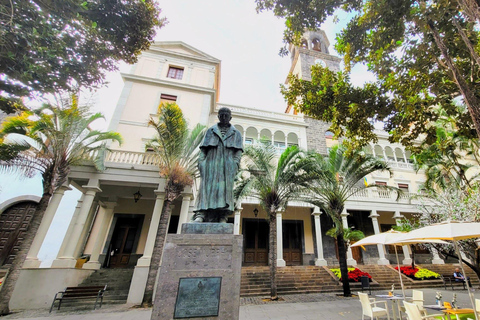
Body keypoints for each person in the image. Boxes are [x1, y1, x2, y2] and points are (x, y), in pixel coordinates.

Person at [192, 107, 243, 223]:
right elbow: (203, 149)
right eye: (222, 115)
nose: (224, 117)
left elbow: (238, 152)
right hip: (210, 165)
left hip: (227, 167)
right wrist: (201, 163)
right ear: (218, 116)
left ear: (230, 117)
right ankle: (201, 214)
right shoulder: (211, 131)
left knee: (224, 192)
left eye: (226, 115)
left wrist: (235, 164)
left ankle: (222, 216)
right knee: (206, 189)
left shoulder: (236, 134)